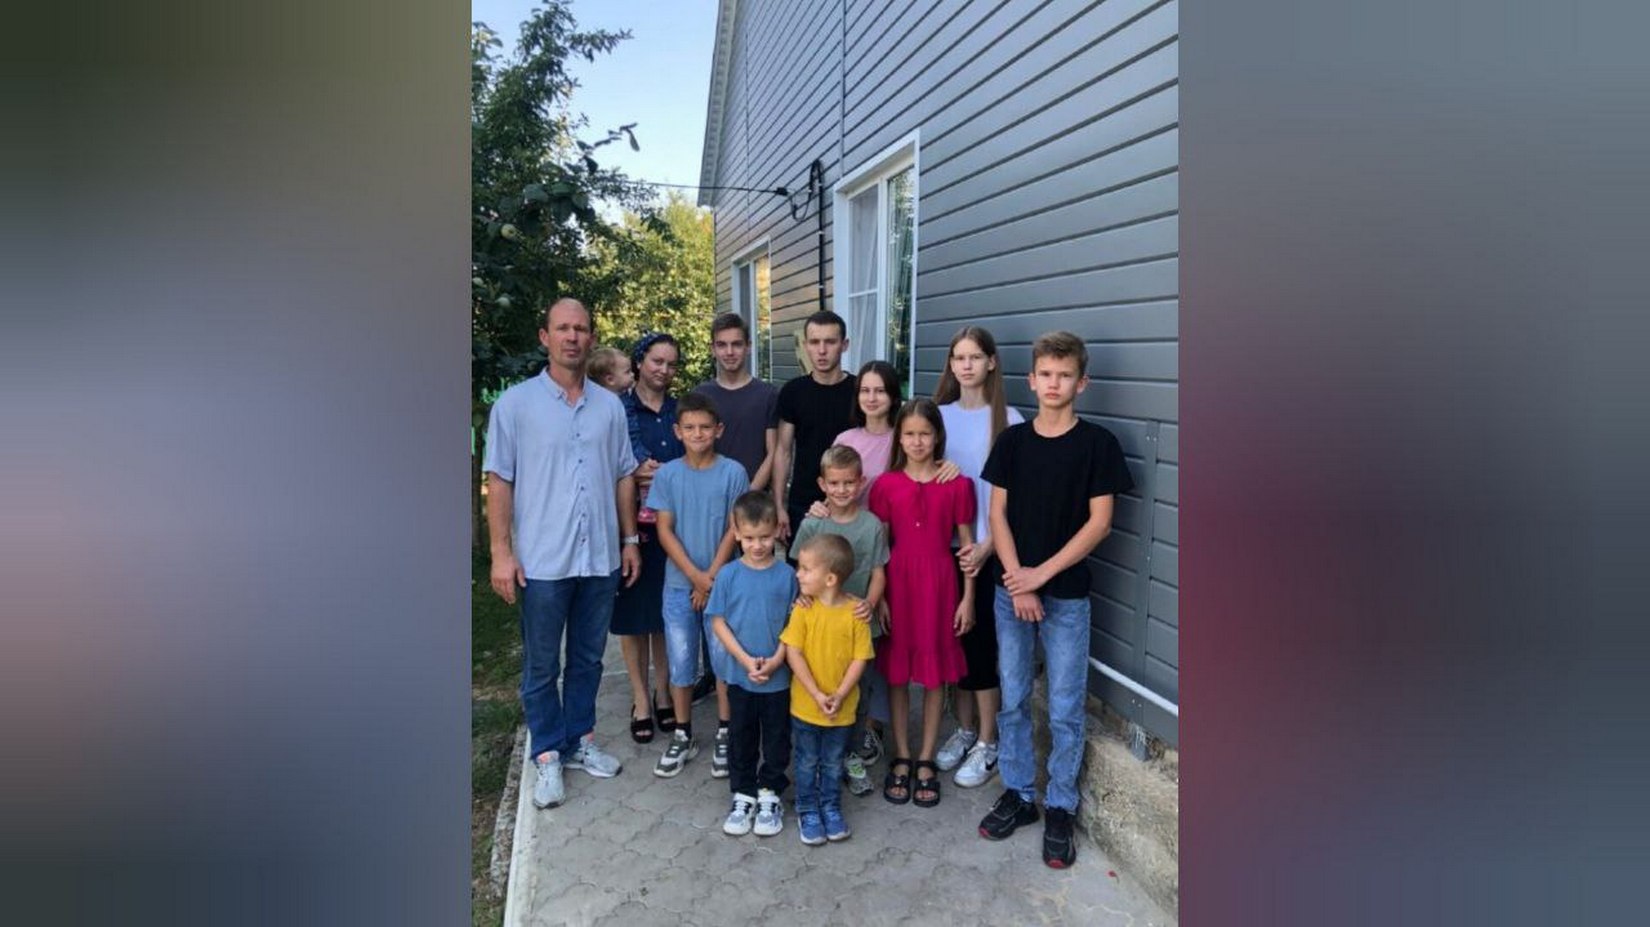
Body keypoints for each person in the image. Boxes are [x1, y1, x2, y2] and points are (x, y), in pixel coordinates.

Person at [977, 331, 1134, 869]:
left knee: (1066, 707)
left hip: (1065, 595)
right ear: (1031, 379)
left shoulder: (1097, 445)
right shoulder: (1013, 442)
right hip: (1010, 591)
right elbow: (997, 514)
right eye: (1045, 374)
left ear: (1081, 383)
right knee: (1015, 697)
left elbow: (1100, 523)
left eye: (1064, 375)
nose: (1053, 383)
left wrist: (1039, 577)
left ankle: (1061, 806)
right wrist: (1017, 580)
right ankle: (1020, 794)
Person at [483, 298, 642, 811]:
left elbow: (623, 474)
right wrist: (501, 553)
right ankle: (548, 752)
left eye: (581, 329)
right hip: (543, 560)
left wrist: (629, 540)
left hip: (599, 557)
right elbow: (499, 480)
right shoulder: (515, 406)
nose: (572, 337)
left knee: (589, 659)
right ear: (544, 336)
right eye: (563, 328)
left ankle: (579, 741)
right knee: (541, 664)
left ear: (591, 338)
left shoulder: (609, 407)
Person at [868, 399, 976, 809]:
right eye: (909, 434)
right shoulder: (885, 485)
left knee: (934, 677)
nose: (917, 442)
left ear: (937, 437)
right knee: (897, 674)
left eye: (925, 434)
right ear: (899, 438)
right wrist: (879, 597)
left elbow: (967, 547)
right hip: (898, 584)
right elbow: (879, 547)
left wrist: (968, 598)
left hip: (941, 584)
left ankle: (926, 756)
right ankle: (902, 754)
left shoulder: (957, 485)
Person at [933, 326, 1025, 788]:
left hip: (990, 549)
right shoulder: (938, 417)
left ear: (991, 362)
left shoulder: (1009, 418)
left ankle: (989, 740)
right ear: (950, 364)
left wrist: (988, 545)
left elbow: (1018, 495)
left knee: (983, 647)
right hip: (943, 547)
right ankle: (965, 728)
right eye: (958, 357)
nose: (965, 365)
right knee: (954, 644)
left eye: (974, 357)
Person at [648, 391, 749, 778]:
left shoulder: (733, 473)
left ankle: (725, 731)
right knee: (681, 661)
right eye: (689, 427)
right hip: (679, 585)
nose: (697, 434)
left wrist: (709, 580)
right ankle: (683, 733)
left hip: (723, 586)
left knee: (723, 661)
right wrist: (694, 577)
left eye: (705, 427)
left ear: (718, 430)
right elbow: (664, 529)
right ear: (677, 431)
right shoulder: (668, 475)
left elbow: (735, 528)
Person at [791, 445, 889, 797]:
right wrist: (800, 597)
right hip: (818, 628)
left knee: (857, 696)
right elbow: (798, 568)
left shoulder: (871, 525)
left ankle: (850, 755)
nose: (842, 489)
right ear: (822, 484)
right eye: (834, 483)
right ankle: (813, 757)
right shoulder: (813, 523)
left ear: (861, 482)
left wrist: (871, 604)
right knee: (814, 686)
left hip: (857, 627)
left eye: (849, 482)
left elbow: (878, 572)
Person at [707, 492, 797, 838]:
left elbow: (795, 623)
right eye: (749, 538)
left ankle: (770, 791)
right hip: (740, 676)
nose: (757, 545)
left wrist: (777, 659)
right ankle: (743, 793)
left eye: (764, 537)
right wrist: (745, 660)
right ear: (736, 533)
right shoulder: (728, 575)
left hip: (778, 677)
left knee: (777, 738)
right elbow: (718, 621)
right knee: (741, 736)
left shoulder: (788, 576)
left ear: (776, 531)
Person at [781, 533, 874, 846]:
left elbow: (860, 659)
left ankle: (831, 807)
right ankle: (807, 809)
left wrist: (840, 694)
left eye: (806, 569)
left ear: (830, 578)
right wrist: (817, 694)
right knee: (806, 761)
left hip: (841, 709)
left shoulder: (856, 613)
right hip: (806, 706)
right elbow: (793, 652)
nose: (798, 574)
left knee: (834, 762)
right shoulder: (803, 609)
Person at [613, 333, 683, 744]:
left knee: (665, 615)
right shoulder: (616, 408)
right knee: (633, 618)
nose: (664, 370)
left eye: (671, 364)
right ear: (640, 362)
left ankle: (663, 692)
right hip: (630, 529)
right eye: (657, 361)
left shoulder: (679, 410)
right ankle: (640, 698)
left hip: (672, 528)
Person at [773, 310, 857, 541]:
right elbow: (783, 452)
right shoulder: (793, 392)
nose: (821, 350)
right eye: (814, 342)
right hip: (803, 504)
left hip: (851, 503)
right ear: (805, 345)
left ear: (844, 345)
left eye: (830, 342)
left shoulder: (859, 391)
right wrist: (779, 506)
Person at [692, 312, 779, 490]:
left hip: (755, 498)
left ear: (748, 347)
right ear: (712, 349)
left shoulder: (768, 394)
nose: (729, 352)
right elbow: (694, 450)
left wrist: (749, 494)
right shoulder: (700, 395)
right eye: (722, 345)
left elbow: (773, 452)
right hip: (709, 493)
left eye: (737, 344)